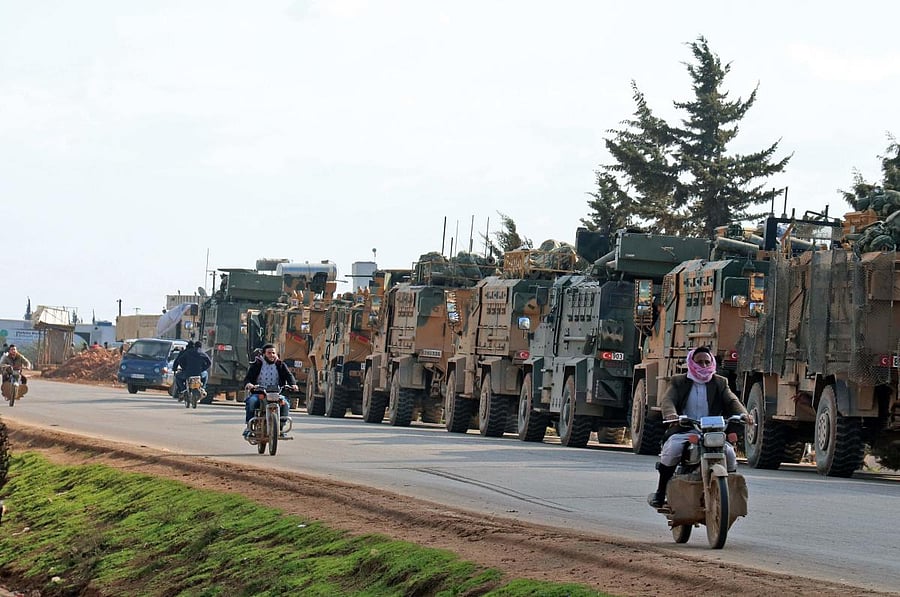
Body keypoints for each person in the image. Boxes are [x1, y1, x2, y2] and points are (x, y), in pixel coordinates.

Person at [647, 346, 752, 509]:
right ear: (691, 363)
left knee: (730, 454)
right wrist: (671, 414)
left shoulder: (720, 382)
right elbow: (668, 400)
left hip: (712, 431)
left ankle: (728, 495)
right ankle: (660, 493)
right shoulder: (679, 381)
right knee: (672, 450)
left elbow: (732, 401)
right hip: (686, 428)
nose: (703, 366)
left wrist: (744, 414)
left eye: (707, 362)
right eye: (699, 362)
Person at [241, 343, 298, 439]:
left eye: (273, 353)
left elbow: (289, 376)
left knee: (285, 404)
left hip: (276, 392)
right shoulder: (257, 364)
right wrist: (249, 385)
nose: (272, 355)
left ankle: (280, 428)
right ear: (264, 354)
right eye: (269, 353)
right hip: (259, 392)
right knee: (251, 402)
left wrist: (293, 384)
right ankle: (249, 427)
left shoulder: (280, 364)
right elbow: (247, 379)